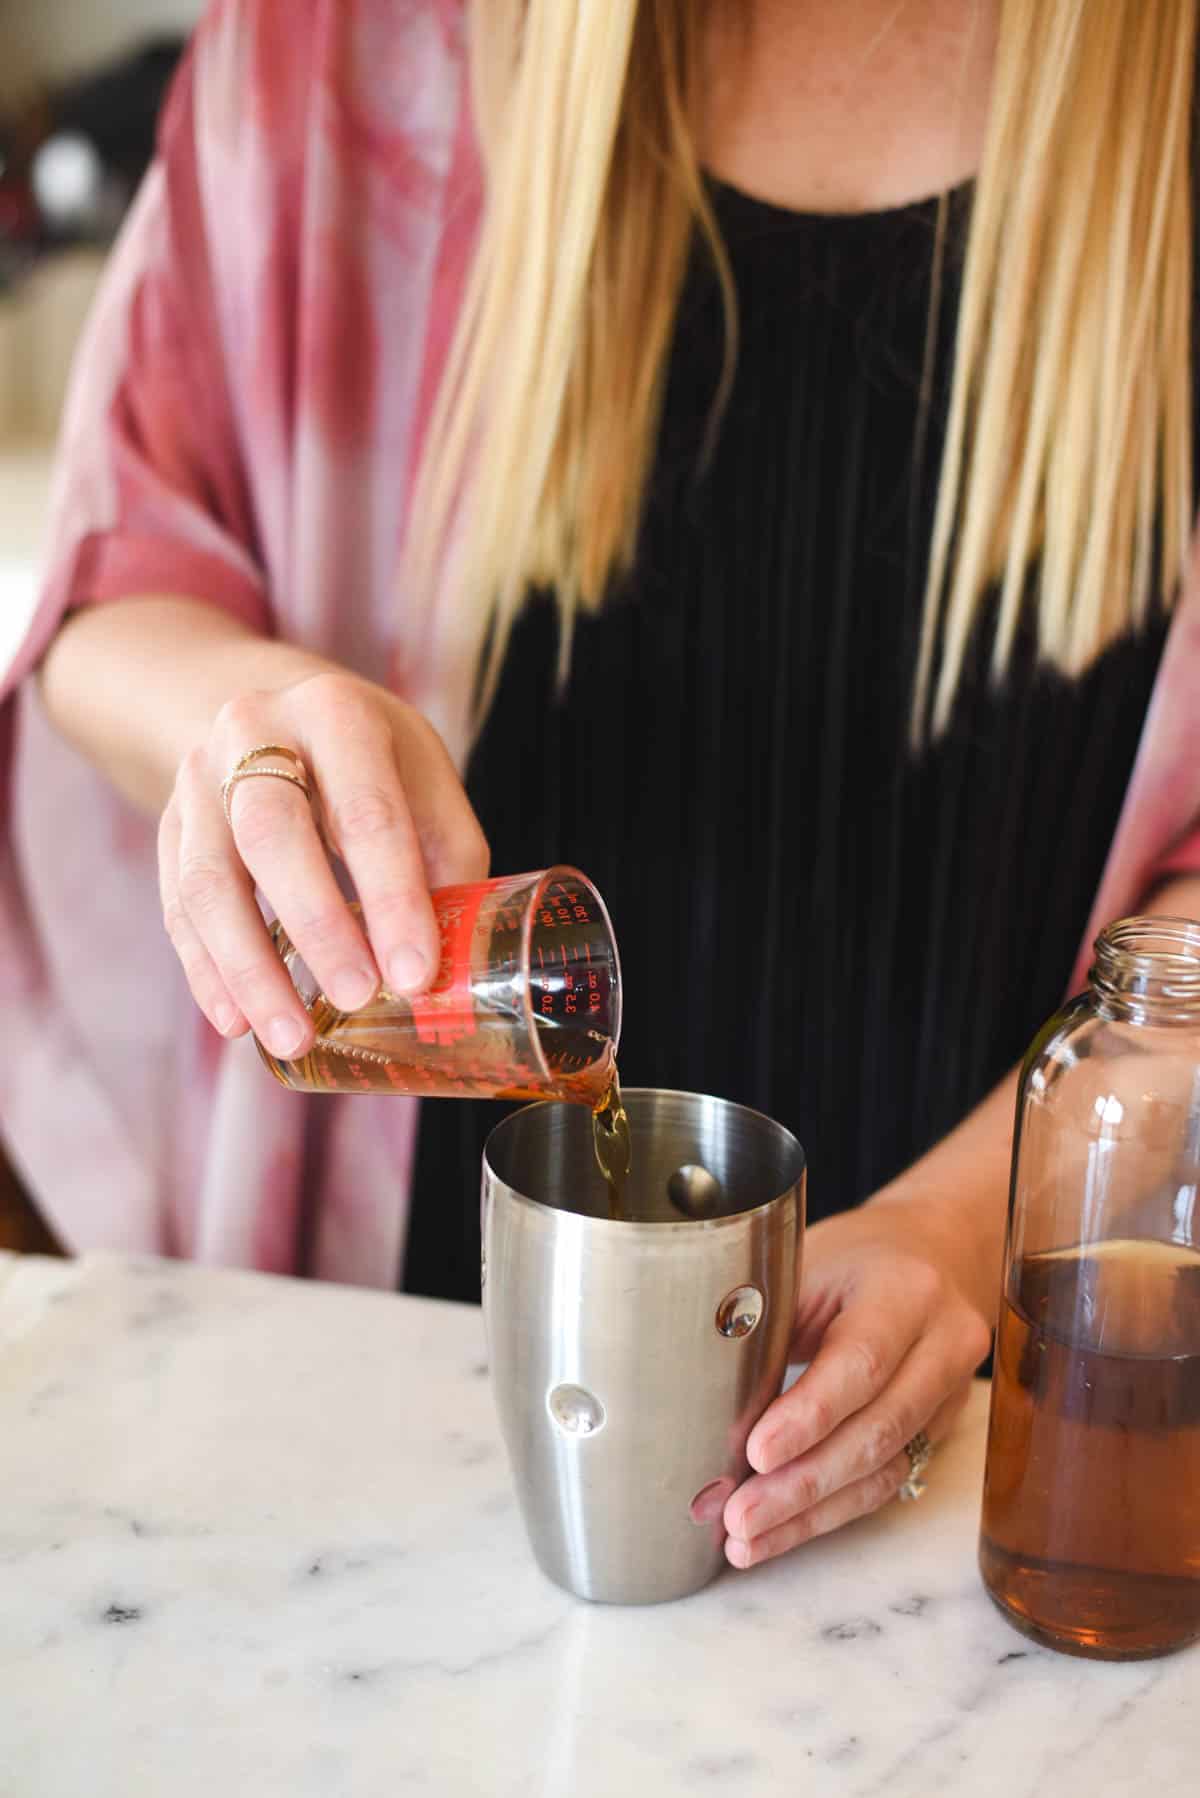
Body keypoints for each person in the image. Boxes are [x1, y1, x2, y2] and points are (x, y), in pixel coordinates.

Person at [2, 0, 1198, 1573]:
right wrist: (251, 724)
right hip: (391, 1449)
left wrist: (961, 1229)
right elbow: (100, 596)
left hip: (963, 1491)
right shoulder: (347, 45)